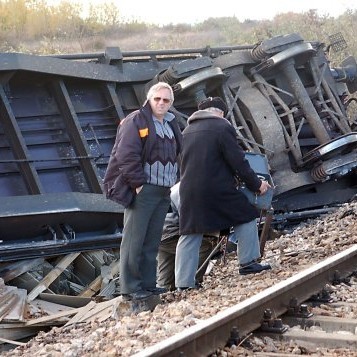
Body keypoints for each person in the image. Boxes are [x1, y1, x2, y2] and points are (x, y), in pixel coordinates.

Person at [177, 96, 271, 290]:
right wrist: (256, 184)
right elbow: (238, 161)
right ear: (220, 113)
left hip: (188, 189)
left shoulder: (186, 131)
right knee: (246, 215)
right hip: (216, 187)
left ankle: (184, 283)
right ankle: (248, 263)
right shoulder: (221, 127)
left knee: (191, 231)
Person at [103, 82, 182, 300]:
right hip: (144, 189)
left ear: (170, 103)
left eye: (166, 100)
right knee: (134, 240)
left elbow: (177, 151)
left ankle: (148, 284)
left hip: (163, 190)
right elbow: (125, 154)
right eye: (157, 99)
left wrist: (174, 180)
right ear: (149, 99)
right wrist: (138, 183)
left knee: (152, 240)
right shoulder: (136, 120)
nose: (161, 103)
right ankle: (130, 288)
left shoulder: (171, 123)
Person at [157, 182, 219, 291]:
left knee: (165, 281)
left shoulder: (184, 185)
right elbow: (190, 223)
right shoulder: (189, 189)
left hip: (159, 232)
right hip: (170, 232)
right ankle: (191, 282)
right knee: (203, 247)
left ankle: (165, 297)